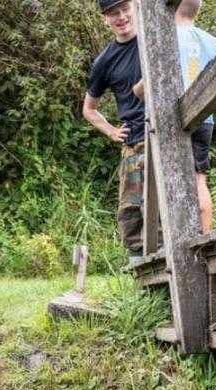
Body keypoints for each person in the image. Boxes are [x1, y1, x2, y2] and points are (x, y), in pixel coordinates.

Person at [132, 0, 216, 232]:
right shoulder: (212, 42)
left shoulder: (163, 38)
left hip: (173, 120)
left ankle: (174, 238)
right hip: (205, 121)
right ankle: (206, 236)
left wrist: (136, 91)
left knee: (171, 181)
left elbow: (147, 86)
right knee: (199, 179)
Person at [83, 0, 147, 256]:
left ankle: (170, 270)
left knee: (165, 206)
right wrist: (111, 130)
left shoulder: (154, 38)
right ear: (105, 19)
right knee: (130, 212)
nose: (121, 17)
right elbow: (89, 108)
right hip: (134, 142)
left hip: (166, 134)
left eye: (125, 9)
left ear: (136, 7)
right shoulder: (105, 60)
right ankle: (140, 277)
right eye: (113, 13)